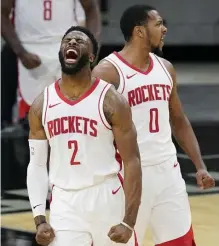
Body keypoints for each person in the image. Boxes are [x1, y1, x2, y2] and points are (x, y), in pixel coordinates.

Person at [92, 5, 215, 246]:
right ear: (139, 31)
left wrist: (199, 166)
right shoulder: (107, 72)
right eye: (158, 24)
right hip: (129, 176)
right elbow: (94, 131)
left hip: (168, 172)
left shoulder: (165, 67)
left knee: (180, 242)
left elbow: (178, 119)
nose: (164, 29)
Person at [26, 26, 142, 246]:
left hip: (107, 196)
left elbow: (132, 161)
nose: (71, 43)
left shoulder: (112, 100)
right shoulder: (42, 104)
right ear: (60, 52)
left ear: (91, 57)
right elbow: (37, 165)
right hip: (65, 202)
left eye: (79, 41)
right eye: (67, 40)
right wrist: (40, 218)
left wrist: (129, 221)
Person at [1, 0, 101, 120]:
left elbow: (91, 9)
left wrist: (92, 48)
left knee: (70, 114)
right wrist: (21, 52)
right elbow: (2, 13)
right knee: (32, 117)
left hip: (65, 48)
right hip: (29, 49)